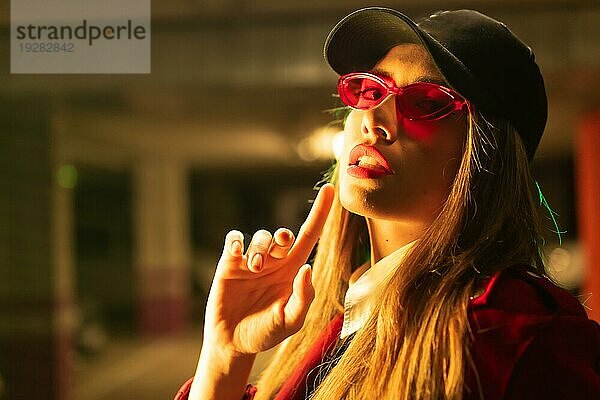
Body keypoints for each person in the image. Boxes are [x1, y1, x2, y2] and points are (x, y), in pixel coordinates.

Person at [175, 7, 600, 400]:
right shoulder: (347, 312)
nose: (375, 119)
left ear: (487, 152)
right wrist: (223, 357)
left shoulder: (521, 338)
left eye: (426, 103)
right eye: (369, 89)